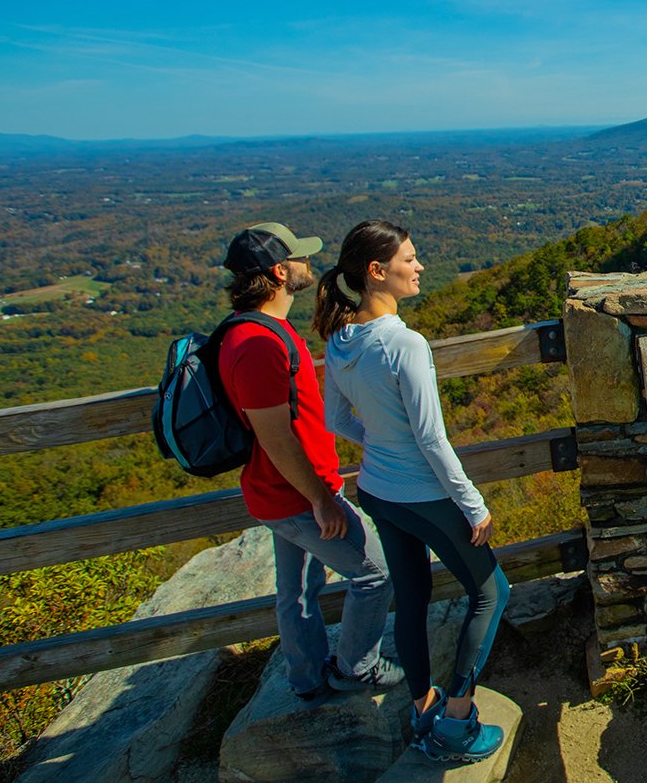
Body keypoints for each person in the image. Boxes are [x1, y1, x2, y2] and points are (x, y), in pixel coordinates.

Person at [313, 220, 510, 764]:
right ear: (377, 272)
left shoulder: (340, 338)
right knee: (492, 593)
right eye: (410, 259)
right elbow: (430, 437)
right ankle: (455, 721)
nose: (419, 266)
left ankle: (423, 703)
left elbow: (334, 417)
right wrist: (472, 502)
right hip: (420, 493)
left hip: (375, 489)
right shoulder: (404, 343)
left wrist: (377, 440)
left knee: (413, 595)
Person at [218, 222, 403, 700]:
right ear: (280, 273)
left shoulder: (252, 332)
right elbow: (275, 436)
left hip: (278, 494)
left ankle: (306, 679)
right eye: (299, 258)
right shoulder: (259, 345)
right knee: (376, 572)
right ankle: (356, 668)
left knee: (297, 592)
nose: (308, 264)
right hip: (295, 496)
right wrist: (321, 498)